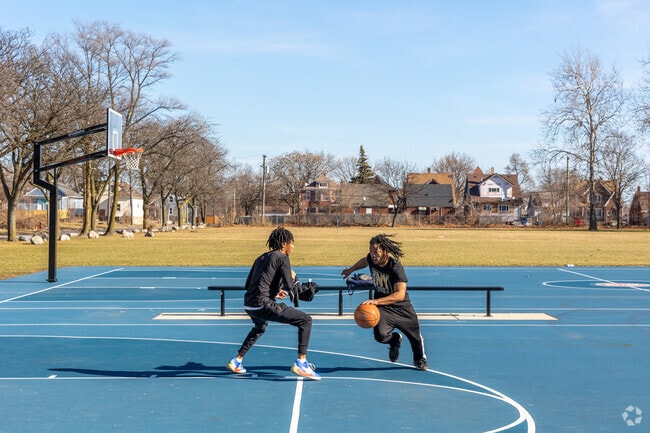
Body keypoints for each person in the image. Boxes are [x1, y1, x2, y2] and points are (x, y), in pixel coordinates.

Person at [226, 226, 320, 380]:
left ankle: (237, 360)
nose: (293, 247)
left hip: (249, 304)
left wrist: (274, 292)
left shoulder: (261, 258)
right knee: (305, 320)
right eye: (292, 243)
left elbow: (249, 284)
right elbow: (291, 287)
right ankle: (301, 362)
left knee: (260, 327)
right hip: (263, 304)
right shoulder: (282, 257)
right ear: (284, 244)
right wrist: (307, 288)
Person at [342, 233, 428, 370]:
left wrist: (376, 301)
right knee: (380, 336)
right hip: (384, 308)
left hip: (402, 308)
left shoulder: (395, 267)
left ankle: (420, 360)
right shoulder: (371, 259)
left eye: (376, 252)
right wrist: (350, 269)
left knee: (415, 337)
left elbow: (400, 295)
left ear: (385, 252)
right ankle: (394, 340)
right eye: (371, 251)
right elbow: (364, 260)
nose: (373, 255)